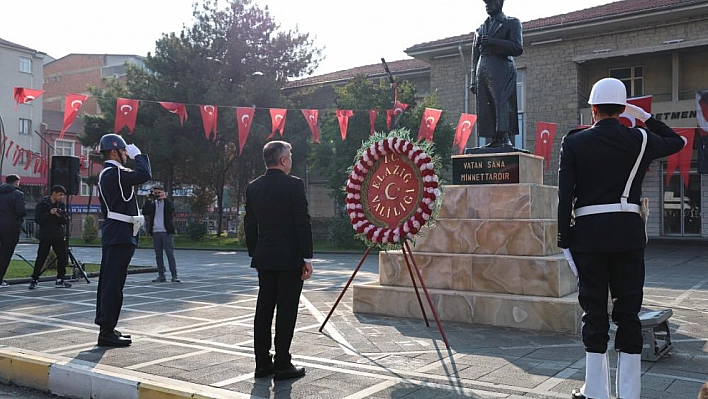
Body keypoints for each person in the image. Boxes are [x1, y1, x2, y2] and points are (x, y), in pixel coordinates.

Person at [558, 77, 686, 399]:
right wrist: (643, 116)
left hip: (587, 237)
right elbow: (678, 141)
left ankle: (596, 392)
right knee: (628, 312)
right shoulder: (641, 139)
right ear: (622, 109)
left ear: (593, 109)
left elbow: (564, 198)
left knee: (594, 312)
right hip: (628, 235)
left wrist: (564, 240)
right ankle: (629, 394)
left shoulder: (574, 142)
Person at [245, 140, 313, 381]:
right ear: (283, 160)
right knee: (286, 311)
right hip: (289, 259)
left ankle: (262, 363)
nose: (291, 160)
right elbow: (301, 222)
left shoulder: (253, 187)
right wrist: (306, 257)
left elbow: (250, 224)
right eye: (290, 156)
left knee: (263, 310)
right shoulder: (293, 185)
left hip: (265, 258)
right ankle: (282, 363)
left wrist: (256, 251)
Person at [95, 133, 151, 347]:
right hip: (119, 233)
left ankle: (108, 327)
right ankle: (106, 331)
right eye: (124, 151)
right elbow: (144, 174)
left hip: (119, 232)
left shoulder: (113, 173)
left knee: (113, 283)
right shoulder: (113, 173)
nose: (127, 154)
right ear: (113, 151)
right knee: (112, 284)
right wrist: (140, 155)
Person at [470, 0, 523, 148]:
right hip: (484, 68)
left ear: (500, 3)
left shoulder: (511, 22)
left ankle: (505, 137)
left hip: (502, 67)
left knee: (501, 102)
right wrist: (473, 80)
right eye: (485, 3)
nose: (487, 5)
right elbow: (474, 56)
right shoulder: (480, 29)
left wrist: (493, 42)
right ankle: (494, 138)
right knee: (486, 104)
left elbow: (517, 47)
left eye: (491, 2)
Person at [29, 185, 72, 289]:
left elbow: (65, 221)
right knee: (41, 257)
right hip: (46, 235)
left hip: (58, 235)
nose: (62, 197)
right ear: (54, 193)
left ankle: (60, 279)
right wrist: (50, 213)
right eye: (60, 194)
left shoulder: (61, 205)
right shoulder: (42, 204)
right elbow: (38, 219)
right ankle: (34, 279)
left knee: (62, 256)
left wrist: (59, 216)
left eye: (63, 195)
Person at [142, 185, 179, 283]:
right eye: (155, 193)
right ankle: (161, 275)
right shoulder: (153, 204)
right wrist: (148, 200)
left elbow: (171, 209)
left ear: (163, 192)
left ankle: (174, 275)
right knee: (158, 255)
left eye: (159, 193)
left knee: (170, 254)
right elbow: (145, 211)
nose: (157, 195)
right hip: (155, 232)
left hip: (166, 232)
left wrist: (165, 198)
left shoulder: (167, 203)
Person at [0, 174, 26, 287]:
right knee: (6, 255)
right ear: (16, 183)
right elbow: (20, 211)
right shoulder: (18, 194)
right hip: (11, 228)